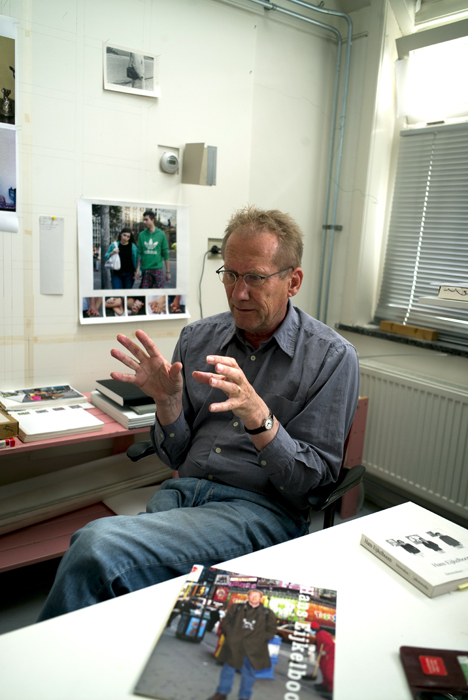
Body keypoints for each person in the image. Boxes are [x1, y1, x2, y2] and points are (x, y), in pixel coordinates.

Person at [38, 205, 359, 621]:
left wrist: (260, 419)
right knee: (129, 599)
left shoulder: (332, 357)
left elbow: (311, 485)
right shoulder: (196, 338)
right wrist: (167, 404)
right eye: (230, 274)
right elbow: (173, 455)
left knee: (98, 547)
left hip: (259, 511)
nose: (238, 293)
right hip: (181, 495)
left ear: (292, 281)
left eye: (255, 278)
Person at [208, 589, 276, 700]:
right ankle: (222, 693)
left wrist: (260, 640)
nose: (254, 597)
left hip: (254, 648)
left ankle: (244, 696)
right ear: (248, 597)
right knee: (228, 669)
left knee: (249, 672)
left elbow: (271, 630)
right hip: (234, 644)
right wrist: (231, 635)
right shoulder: (236, 607)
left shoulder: (268, 613)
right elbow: (226, 622)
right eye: (252, 595)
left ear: (261, 598)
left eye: (257, 596)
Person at [135, 210, 171, 289]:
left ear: (152, 220)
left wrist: (168, 272)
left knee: (157, 294)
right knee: (144, 294)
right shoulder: (141, 235)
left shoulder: (161, 234)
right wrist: (138, 269)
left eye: (146, 220)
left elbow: (165, 254)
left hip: (157, 270)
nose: (144, 222)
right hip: (145, 270)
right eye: (143, 220)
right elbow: (139, 253)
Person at [311, 621, 335, 693]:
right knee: (323, 669)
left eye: (312, 628)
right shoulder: (318, 634)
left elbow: (330, 644)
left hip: (329, 654)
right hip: (323, 654)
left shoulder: (322, 634)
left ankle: (330, 688)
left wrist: (325, 651)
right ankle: (325, 684)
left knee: (328, 671)